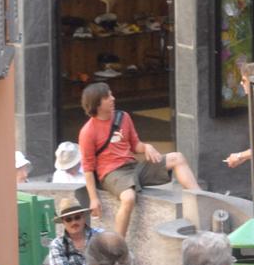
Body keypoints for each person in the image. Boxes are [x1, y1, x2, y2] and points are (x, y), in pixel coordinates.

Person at [79, 83, 199, 237]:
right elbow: (88, 168)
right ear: (97, 103)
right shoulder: (88, 131)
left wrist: (147, 147)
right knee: (128, 198)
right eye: (107, 96)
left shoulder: (123, 117)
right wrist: (93, 199)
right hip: (112, 173)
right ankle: (118, 245)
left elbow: (135, 145)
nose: (113, 98)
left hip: (133, 168)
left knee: (177, 158)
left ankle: (199, 199)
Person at [224, 62, 254, 168]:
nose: (241, 83)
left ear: (253, 82)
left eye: (244, 80)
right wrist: (243, 158)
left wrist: (239, 156)